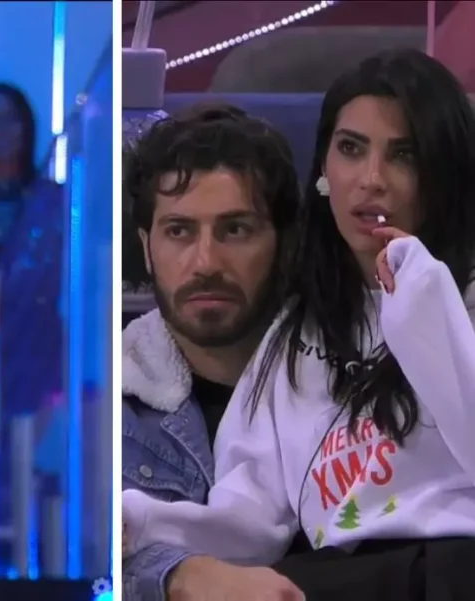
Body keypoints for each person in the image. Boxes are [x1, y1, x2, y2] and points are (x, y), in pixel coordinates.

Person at [124, 49, 475, 600]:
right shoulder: (297, 332)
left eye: (403, 154)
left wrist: (428, 312)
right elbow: (250, 518)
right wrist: (140, 520)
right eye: (351, 149)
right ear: (324, 172)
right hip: (338, 577)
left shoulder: (452, 297)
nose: (371, 179)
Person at [120, 104, 302, 600]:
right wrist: (176, 577)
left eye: (235, 229)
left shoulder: (344, 383)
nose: (205, 262)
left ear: (284, 243)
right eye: (179, 231)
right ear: (146, 247)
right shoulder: (110, 408)